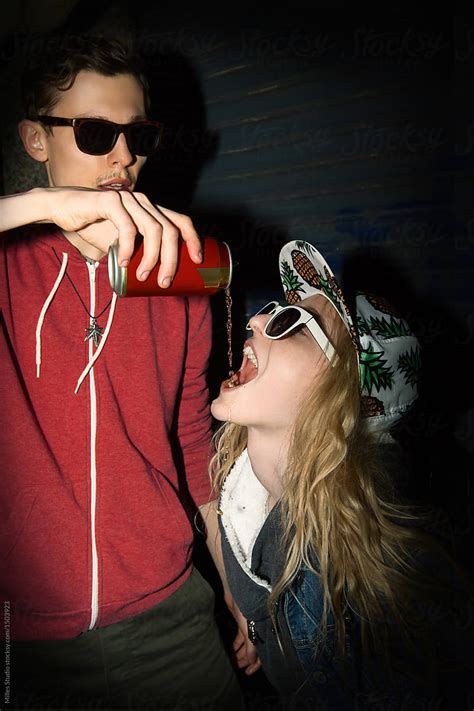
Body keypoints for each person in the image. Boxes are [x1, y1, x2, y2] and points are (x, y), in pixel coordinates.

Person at [0, 33, 243, 710]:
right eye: (96, 132)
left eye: (136, 136)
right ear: (35, 140)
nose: (123, 157)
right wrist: (42, 209)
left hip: (170, 617)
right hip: (25, 643)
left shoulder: (178, 273)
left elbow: (193, 447)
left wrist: (235, 587)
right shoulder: (8, 265)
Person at [204, 240, 473, 709]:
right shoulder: (244, 490)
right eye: (274, 310)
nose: (255, 320)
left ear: (341, 393)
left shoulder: (351, 586)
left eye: (293, 324)